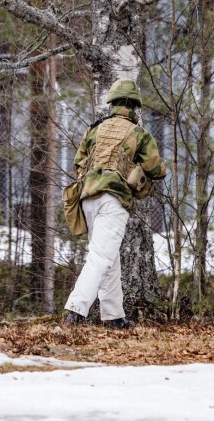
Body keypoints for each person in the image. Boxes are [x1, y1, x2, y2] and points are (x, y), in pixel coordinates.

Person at [64, 79, 168, 328]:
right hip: (113, 199)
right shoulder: (139, 133)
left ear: (112, 104)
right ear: (134, 107)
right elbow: (157, 169)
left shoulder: (95, 129)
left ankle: (113, 316)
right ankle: (75, 311)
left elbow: (78, 163)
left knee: (109, 257)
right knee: (101, 256)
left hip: (88, 198)